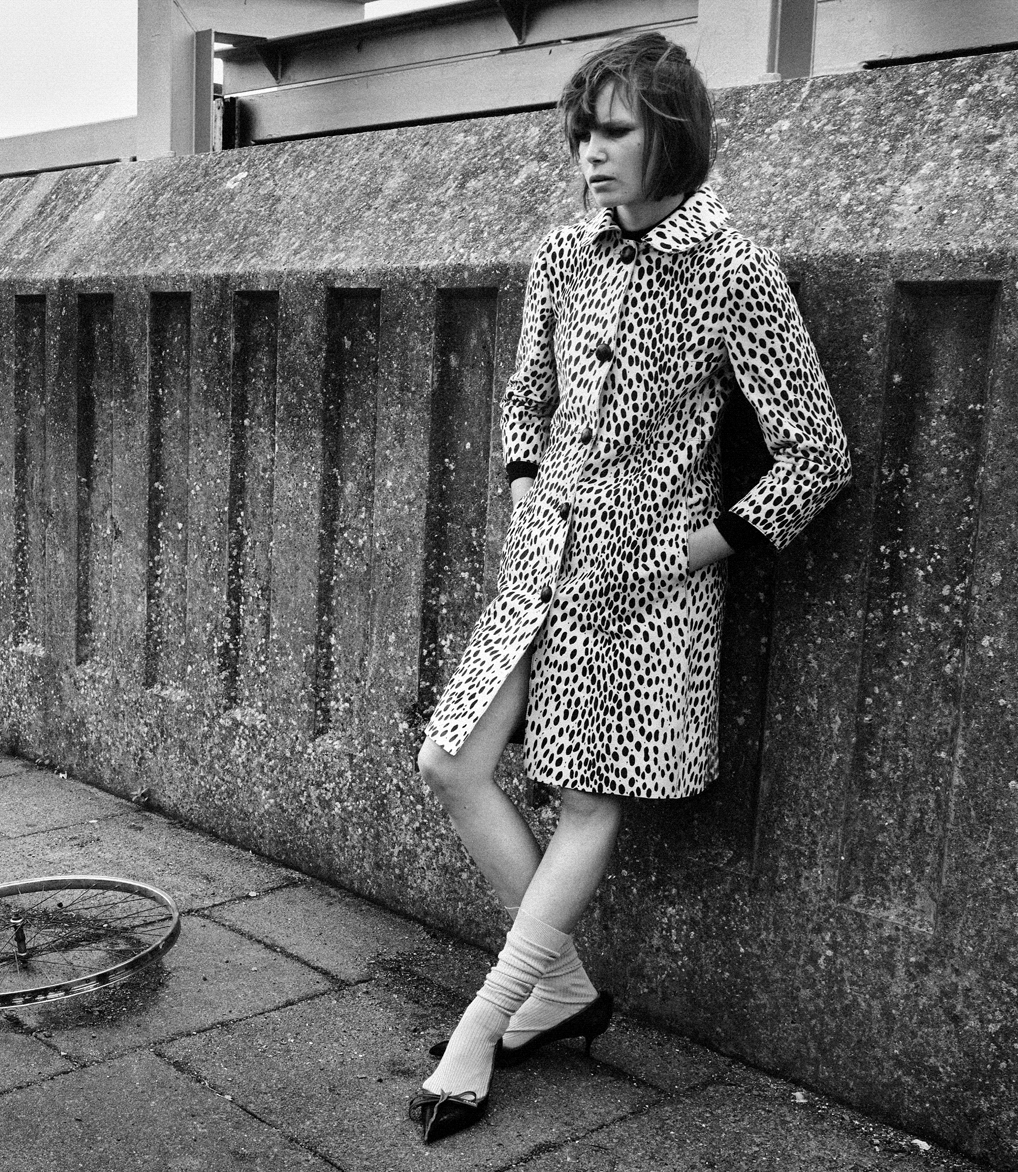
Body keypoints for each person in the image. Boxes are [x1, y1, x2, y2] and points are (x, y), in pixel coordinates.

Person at [408, 34, 850, 1143]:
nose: (588, 154)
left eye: (611, 130)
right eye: (580, 134)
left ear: (670, 130)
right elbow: (524, 397)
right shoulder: (561, 255)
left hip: (649, 586)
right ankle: (560, 990)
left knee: (589, 795)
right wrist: (520, 486)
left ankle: (488, 1015)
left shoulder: (729, 268)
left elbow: (813, 452)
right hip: (541, 557)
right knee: (452, 761)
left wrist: (690, 551)